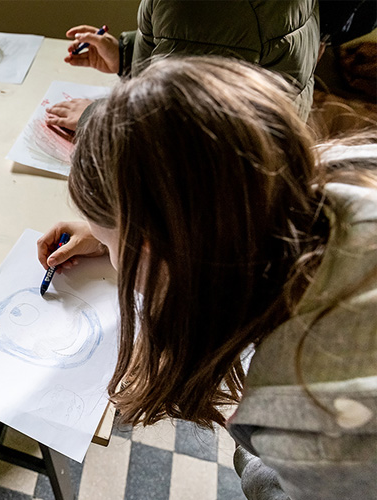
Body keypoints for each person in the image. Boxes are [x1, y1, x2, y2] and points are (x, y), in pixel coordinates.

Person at [38, 57, 377, 499]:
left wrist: (257, 461)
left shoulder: (310, 421)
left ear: (154, 247)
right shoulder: (333, 187)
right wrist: (117, 235)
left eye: (114, 241)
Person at [45, 0, 320, 131]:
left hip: (225, 193)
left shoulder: (203, 7)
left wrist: (95, 118)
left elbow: (172, 129)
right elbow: (219, 50)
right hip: (268, 153)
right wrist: (127, 57)